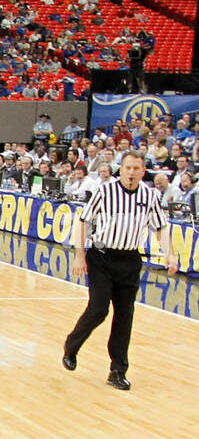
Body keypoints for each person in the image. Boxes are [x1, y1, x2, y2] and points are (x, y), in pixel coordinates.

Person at [63, 150, 178, 390]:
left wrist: (170, 254)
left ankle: (117, 370)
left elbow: (160, 227)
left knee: (125, 315)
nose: (132, 173)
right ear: (121, 169)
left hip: (129, 259)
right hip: (102, 257)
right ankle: (72, 346)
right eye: (128, 168)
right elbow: (84, 221)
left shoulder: (150, 196)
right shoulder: (105, 191)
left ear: (143, 171)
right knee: (98, 309)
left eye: (137, 169)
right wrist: (80, 254)